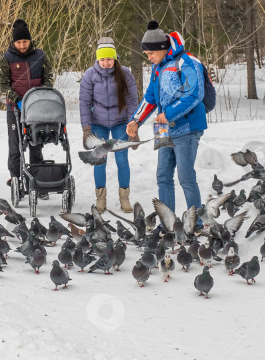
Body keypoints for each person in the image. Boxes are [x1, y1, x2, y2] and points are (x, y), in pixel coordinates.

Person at [126, 21, 207, 222]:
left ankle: (194, 222)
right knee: (163, 176)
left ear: (162, 48)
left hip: (187, 127)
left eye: (151, 53)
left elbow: (195, 93)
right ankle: (168, 222)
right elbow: (150, 98)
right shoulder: (157, 68)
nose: (149, 58)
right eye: (147, 55)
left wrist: (169, 114)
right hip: (163, 129)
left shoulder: (187, 61)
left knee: (186, 178)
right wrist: (136, 120)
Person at [79, 38, 139, 213]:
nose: (106, 63)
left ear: (115, 58)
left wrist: (134, 126)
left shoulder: (125, 74)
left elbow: (132, 100)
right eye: (102, 59)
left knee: (122, 160)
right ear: (97, 59)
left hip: (121, 122)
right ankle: (100, 198)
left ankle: (124, 198)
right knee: (100, 160)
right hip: (99, 123)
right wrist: (86, 129)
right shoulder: (90, 75)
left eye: (109, 59)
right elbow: (84, 102)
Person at [0, 19, 53, 193]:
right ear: (14, 42)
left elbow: (49, 79)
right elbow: (3, 85)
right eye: (19, 42)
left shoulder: (40, 56)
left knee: (36, 144)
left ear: (30, 41)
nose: (22, 45)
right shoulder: (6, 58)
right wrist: (17, 100)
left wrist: (42, 96)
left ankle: (36, 180)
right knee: (16, 145)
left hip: (37, 109)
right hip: (15, 108)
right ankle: (16, 179)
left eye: (25, 41)